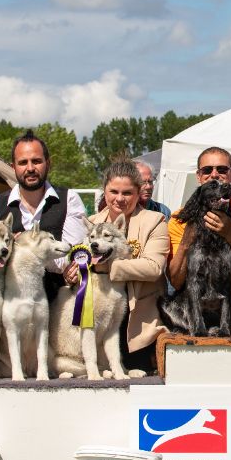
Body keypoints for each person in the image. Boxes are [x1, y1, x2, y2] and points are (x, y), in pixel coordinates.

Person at [0, 130, 87, 298]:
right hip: (9, 306)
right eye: (23, 162)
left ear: (48, 163)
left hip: (59, 305)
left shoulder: (69, 200)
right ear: (13, 167)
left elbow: (71, 257)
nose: (30, 168)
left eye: (36, 161)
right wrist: (48, 253)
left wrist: (21, 248)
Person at [91, 156, 170, 373]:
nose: (120, 199)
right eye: (113, 192)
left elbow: (153, 268)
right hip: (99, 327)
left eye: (127, 193)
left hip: (138, 331)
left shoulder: (155, 221)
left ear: (138, 193)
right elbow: (82, 264)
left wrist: (106, 267)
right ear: (104, 191)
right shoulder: (90, 223)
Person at [167, 147, 231, 291]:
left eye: (222, 169)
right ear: (198, 176)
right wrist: (186, 242)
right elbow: (176, 281)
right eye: (207, 170)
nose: (214, 174)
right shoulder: (179, 219)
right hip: (195, 306)